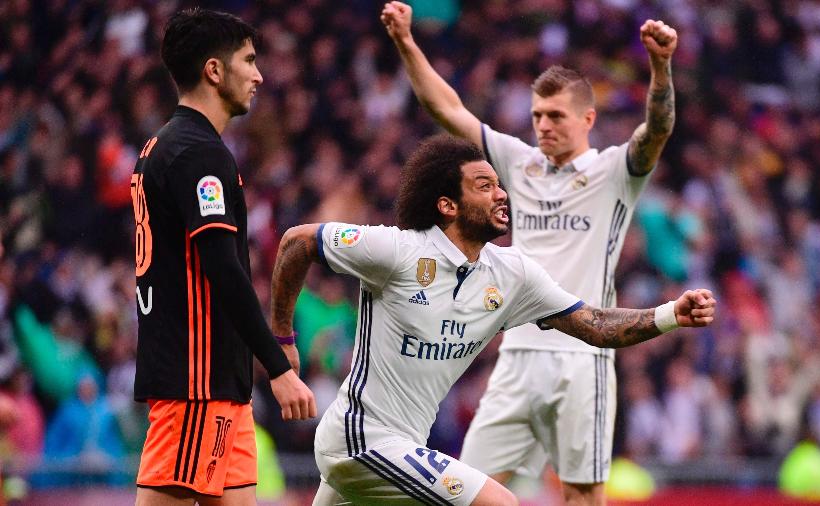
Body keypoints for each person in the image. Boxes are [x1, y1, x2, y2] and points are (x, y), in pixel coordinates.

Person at [269, 134, 715, 505]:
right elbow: (295, 243)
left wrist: (669, 315)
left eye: (499, 184)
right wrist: (283, 339)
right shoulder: (398, 251)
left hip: (401, 448)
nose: (501, 193)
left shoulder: (512, 275)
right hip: (360, 439)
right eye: (483, 186)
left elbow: (595, 324)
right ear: (448, 205)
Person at [382, 3, 678, 503]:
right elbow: (447, 109)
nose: (542, 126)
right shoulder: (519, 163)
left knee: (582, 495)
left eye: (555, 116)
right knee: (463, 488)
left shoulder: (614, 171)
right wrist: (407, 42)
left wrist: (661, 67)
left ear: (588, 118)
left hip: (584, 353)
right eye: (537, 115)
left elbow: (658, 130)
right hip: (518, 353)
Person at [130, 9, 316, 505]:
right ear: (214, 70)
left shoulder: (164, 147)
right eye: (249, 61)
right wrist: (277, 366)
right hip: (195, 382)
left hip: (222, 388)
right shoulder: (196, 154)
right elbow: (221, 269)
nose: (258, 75)